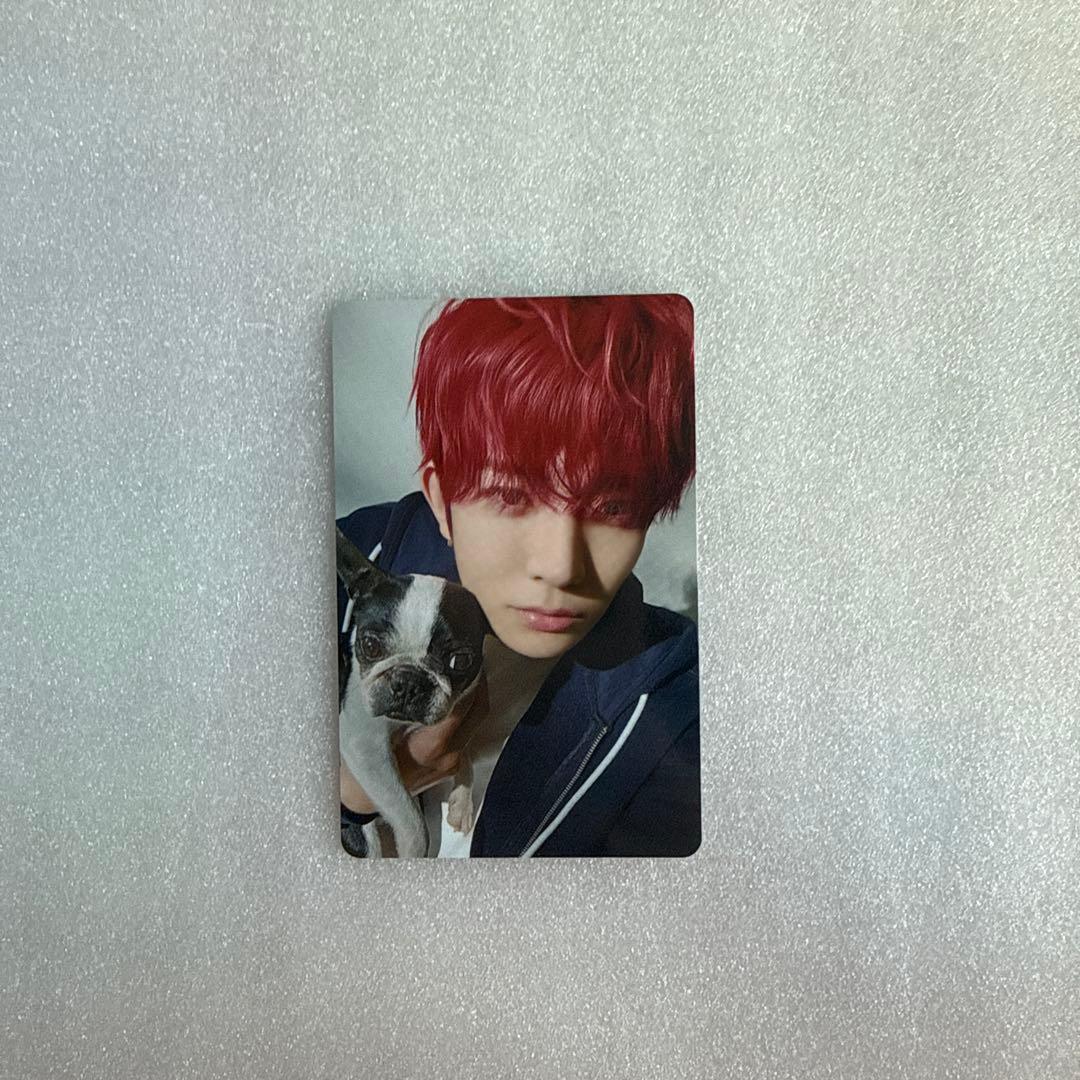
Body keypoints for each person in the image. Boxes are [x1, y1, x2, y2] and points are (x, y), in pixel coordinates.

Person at [336, 294, 699, 857]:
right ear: (442, 500)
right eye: (510, 495)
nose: (560, 566)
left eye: (613, 508)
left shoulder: (679, 706)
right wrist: (353, 797)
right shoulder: (333, 564)